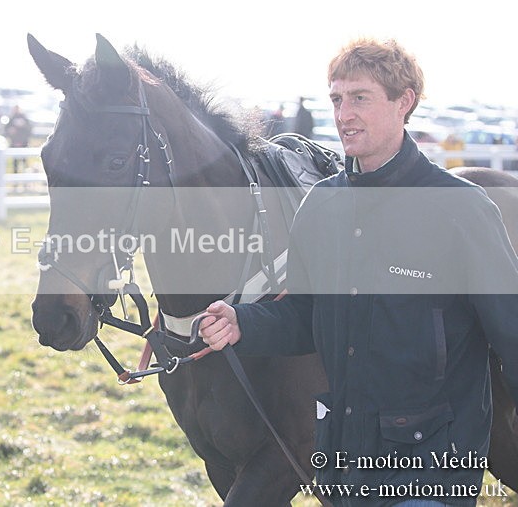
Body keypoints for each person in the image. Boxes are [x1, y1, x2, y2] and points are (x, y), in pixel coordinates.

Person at [199, 38, 518, 506]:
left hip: (432, 468)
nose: (344, 114)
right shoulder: (322, 204)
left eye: (360, 98)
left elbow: (512, 333)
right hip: (345, 468)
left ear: (404, 101)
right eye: (337, 99)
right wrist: (242, 323)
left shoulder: (460, 209)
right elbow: (308, 315)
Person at [4, 105, 32, 173]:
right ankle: (15, 181)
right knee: (15, 163)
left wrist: (23, 125)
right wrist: (10, 130)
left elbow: (29, 130)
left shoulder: (24, 118)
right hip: (14, 143)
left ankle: (25, 179)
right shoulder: (12, 118)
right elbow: (6, 129)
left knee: (24, 162)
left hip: (23, 144)